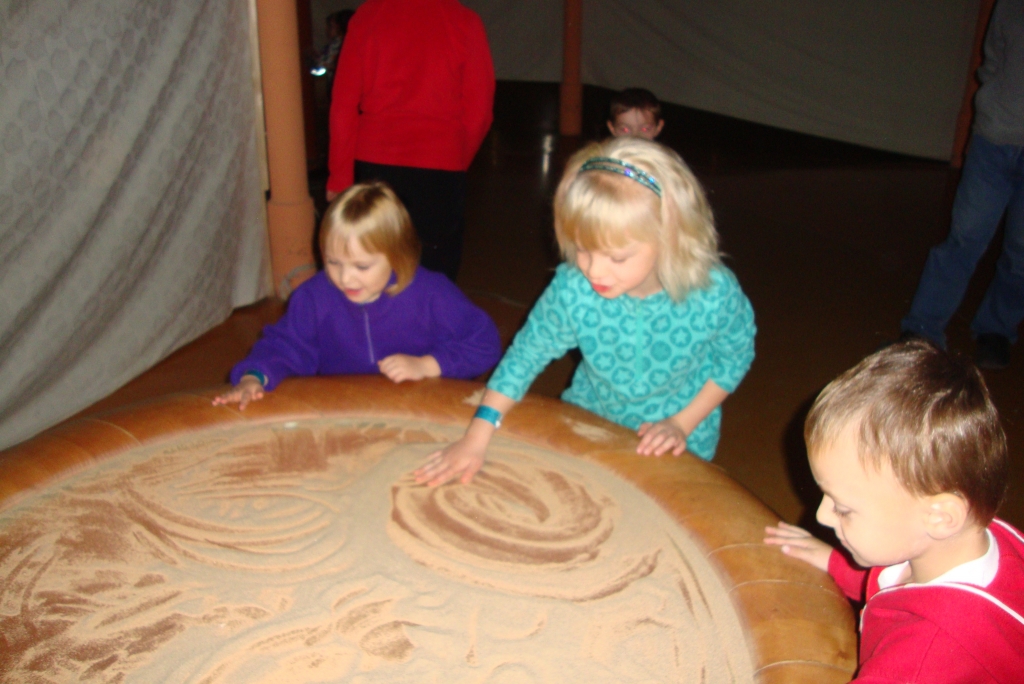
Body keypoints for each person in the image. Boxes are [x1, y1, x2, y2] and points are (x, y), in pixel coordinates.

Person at [414, 137, 756, 486]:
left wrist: (681, 423)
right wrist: (476, 436)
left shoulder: (713, 292)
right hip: (590, 421)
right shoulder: (573, 287)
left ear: (671, 238)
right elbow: (525, 356)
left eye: (617, 257)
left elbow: (734, 358)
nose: (594, 270)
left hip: (680, 436)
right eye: (582, 248)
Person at [764, 339, 1024, 682]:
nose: (822, 516)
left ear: (940, 517)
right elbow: (894, 575)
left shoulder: (921, 660)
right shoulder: (967, 537)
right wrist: (835, 563)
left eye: (843, 508)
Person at [213, 183, 502, 410]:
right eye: (333, 262)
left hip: (420, 407)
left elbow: (484, 343)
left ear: (397, 255)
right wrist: (253, 376)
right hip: (344, 410)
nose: (345, 278)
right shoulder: (313, 298)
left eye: (361, 266)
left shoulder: (431, 293)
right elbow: (286, 345)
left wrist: (427, 365)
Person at [325, 0, 495, 282]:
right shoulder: (464, 21)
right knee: (434, 273)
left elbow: (343, 106)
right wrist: (454, 157)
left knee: (375, 266)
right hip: (440, 167)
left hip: (375, 163)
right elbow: (480, 113)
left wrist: (340, 178)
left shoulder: (368, 15)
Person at [900, 0, 1024, 370]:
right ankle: (923, 329)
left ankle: (996, 329)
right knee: (963, 238)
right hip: (993, 141)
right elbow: (994, 57)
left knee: (1021, 255)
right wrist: (993, 110)